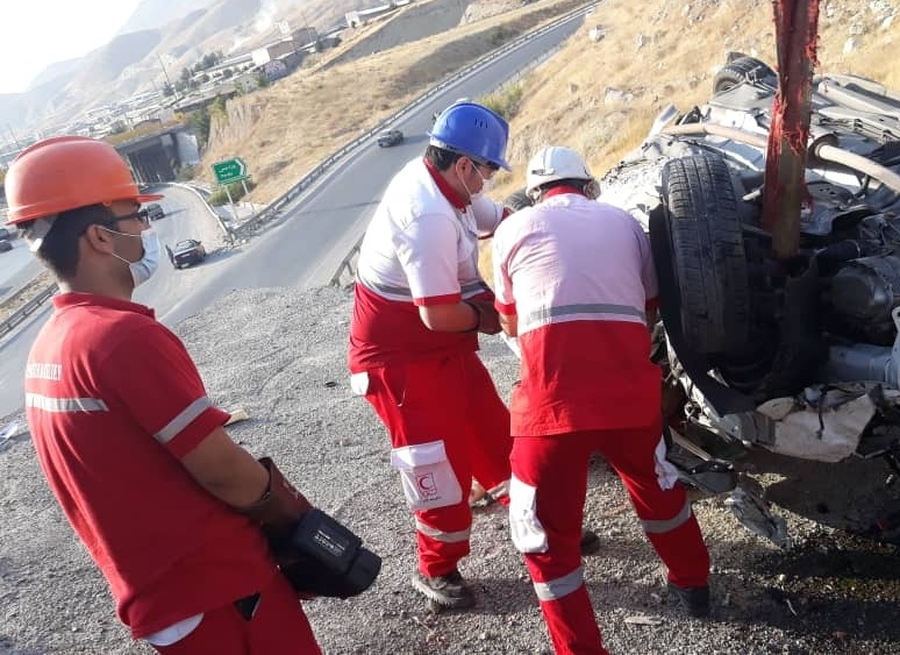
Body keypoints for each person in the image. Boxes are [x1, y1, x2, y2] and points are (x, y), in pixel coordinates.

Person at [4, 136, 327, 654]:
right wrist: (298, 522)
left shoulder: (51, 344)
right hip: (221, 591)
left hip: (168, 601)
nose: (146, 231)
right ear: (99, 237)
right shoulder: (120, 337)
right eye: (135, 218)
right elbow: (222, 469)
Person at [347, 102, 599, 611]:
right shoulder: (427, 215)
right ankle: (437, 567)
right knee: (438, 469)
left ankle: (532, 518)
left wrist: (548, 229)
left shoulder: (451, 187)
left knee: (495, 434)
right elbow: (438, 315)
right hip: (399, 361)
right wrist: (492, 316)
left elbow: (500, 221)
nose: (488, 180)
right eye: (487, 170)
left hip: (443, 349)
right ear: (464, 165)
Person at [492, 146, 712, 654]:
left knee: (545, 539)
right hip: (629, 402)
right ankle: (694, 585)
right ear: (588, 186)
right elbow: (652, 306)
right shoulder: (624, 223)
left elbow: (507, 320)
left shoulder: (512, 230)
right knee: (659, 494)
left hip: (550, 409)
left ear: (535, 193)